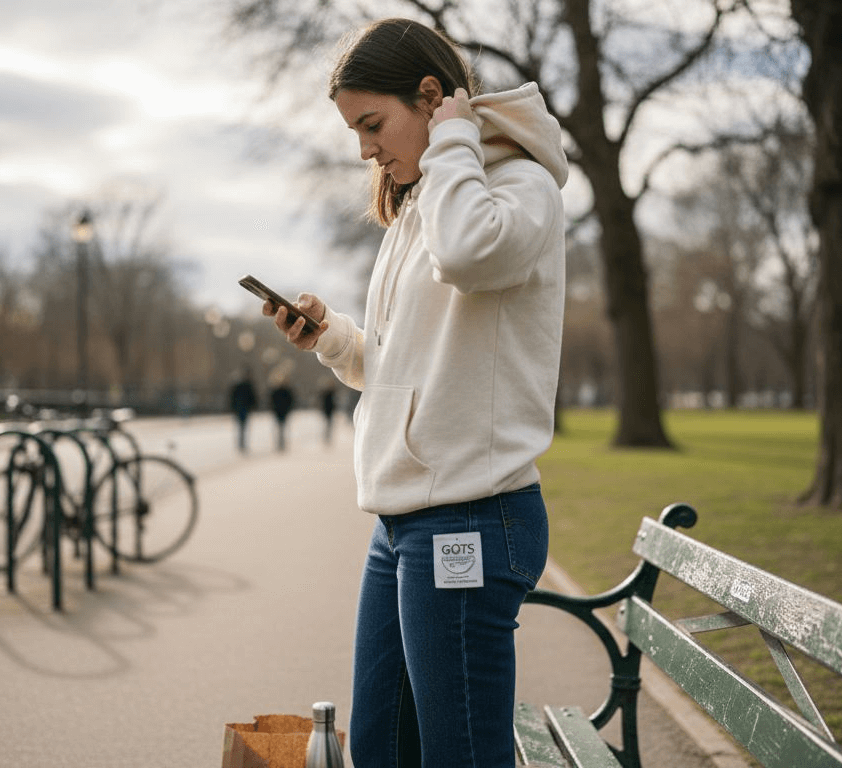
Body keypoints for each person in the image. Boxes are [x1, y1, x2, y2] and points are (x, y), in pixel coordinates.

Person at [260, 17, 568, 768]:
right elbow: (401, 369)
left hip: (469, 516)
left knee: (458, 756)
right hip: (401, 527)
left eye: (373, 123)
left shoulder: (519, 188)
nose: (365, 148)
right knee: (380, 750)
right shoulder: (424, 205)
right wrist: (332, 337)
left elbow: (468, 256)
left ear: (431, 96)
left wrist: (457, 139)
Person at [228, 370, 257, 454]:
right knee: (242, 426)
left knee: (241, 426)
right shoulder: (247, 385)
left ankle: (241, 443)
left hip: (240, 408)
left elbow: (232, 397)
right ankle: (242, 443)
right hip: (243, 408)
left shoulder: (239, 386)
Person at [269, 378, 295, 452]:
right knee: (280, 427)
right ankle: (280, 443)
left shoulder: (286, 391)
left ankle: (281, 443)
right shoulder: (277, 391)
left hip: (283, 411)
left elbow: (290, 400)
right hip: (278, 411)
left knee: (282, 427)